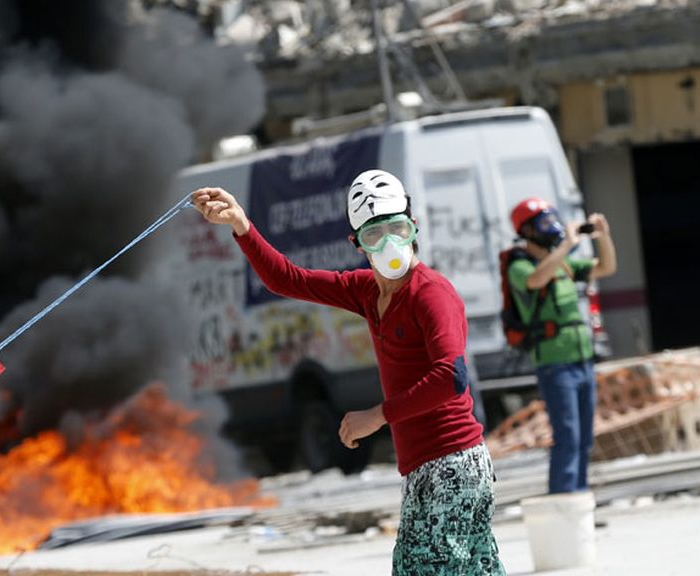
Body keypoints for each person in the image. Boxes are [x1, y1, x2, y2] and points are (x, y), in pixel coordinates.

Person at [193, 170, 504, 575]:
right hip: (426, 467)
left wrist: (377, 416)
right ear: (357, 244)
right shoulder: (367, 291)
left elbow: (452, 377)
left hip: (453, 464)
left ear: (414, 228)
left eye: (398, 227)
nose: (391, 242)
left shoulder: (431, 294)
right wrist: (241, 226)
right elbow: (288, 279)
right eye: (376, 235)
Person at [507, 198, 616, 494]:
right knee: (567, 436)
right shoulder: (518, 265)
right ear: (527, 230)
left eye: (552, 219)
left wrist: (602, 235)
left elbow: (606, 267)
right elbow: (535, 279)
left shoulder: (564, 265)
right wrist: (568, 242)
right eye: (544, 222)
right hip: (555, 365)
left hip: (582, 361)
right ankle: (563, 499)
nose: (551, 227)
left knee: (584, 438)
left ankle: (578, 499)